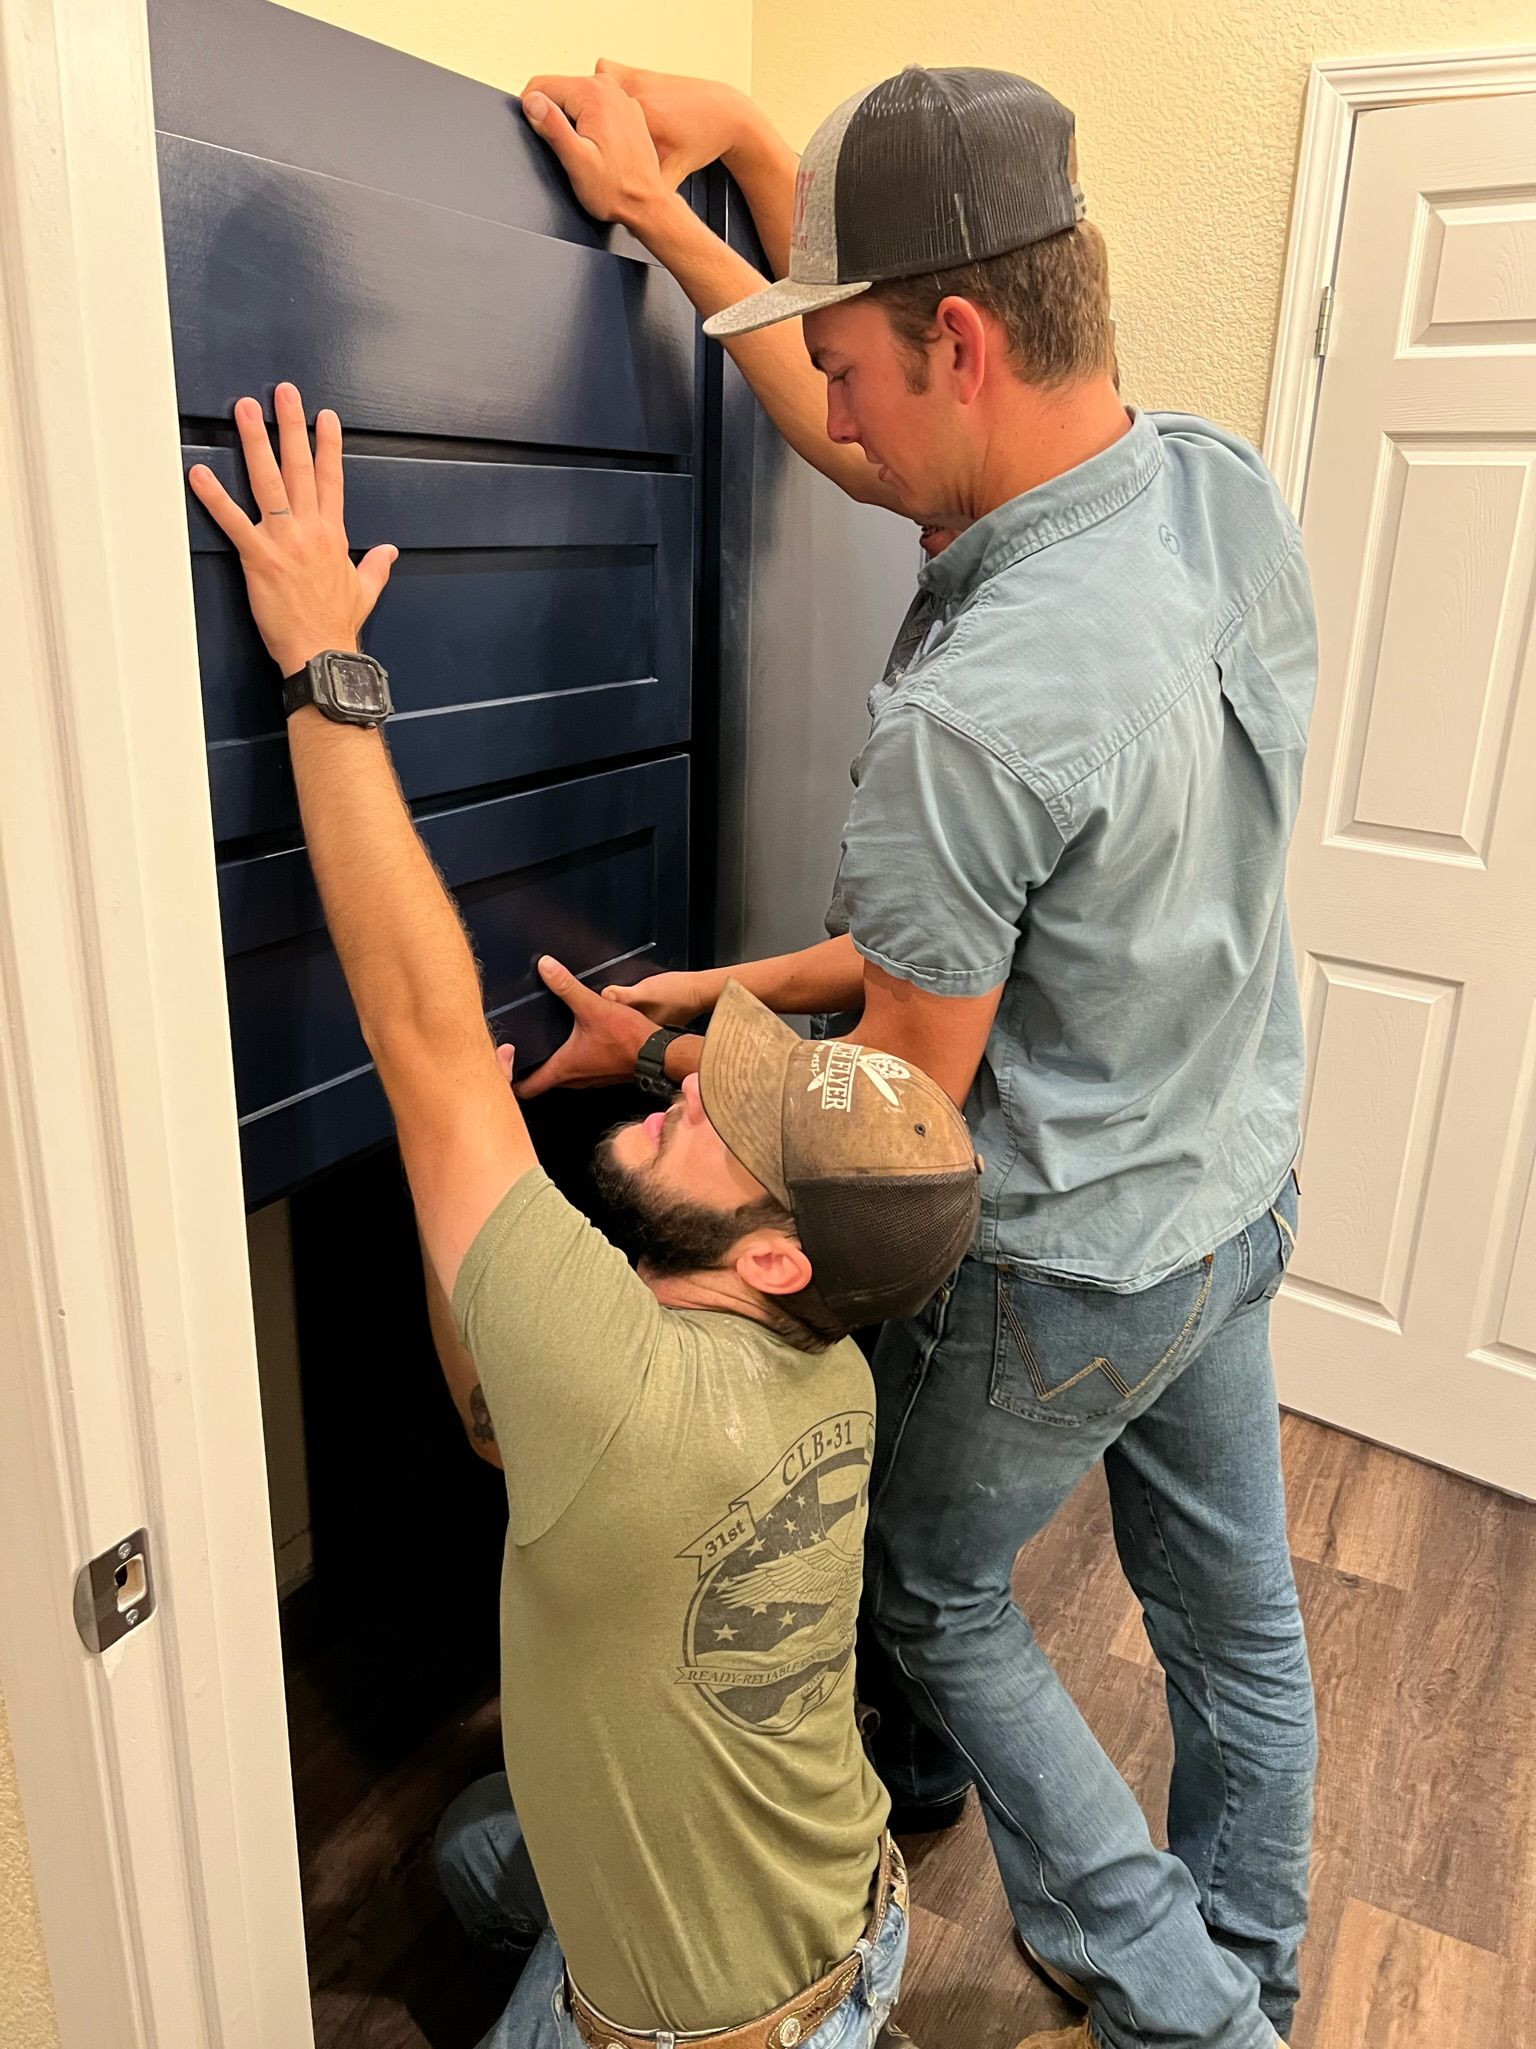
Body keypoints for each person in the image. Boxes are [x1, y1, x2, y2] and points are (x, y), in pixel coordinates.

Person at [519, 63, 1316, 2049]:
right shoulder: (1208, 481)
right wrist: (688, 204)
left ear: (959, 341)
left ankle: (1182, 2009)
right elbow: (874, 404)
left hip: (1060, 1258)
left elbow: (899, 1115)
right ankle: (1258, 1966)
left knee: (938, 1593)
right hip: (1231, 1176)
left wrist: (696, 1077)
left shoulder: (977, 714)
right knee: (1232, 1599)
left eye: (855, 373)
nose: (835, 426)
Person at [187, 386, 986, 2049]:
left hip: (707, 2036)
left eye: (728, 1122)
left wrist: (325, 666)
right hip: (849, 1912)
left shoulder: (632, 1399)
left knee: (508, 1897)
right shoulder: (818, 1361)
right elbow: (498, 1418)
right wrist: (454, 1195)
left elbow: (420, 1036)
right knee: (490, 1853)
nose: (685, 1084)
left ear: (773, 1255)